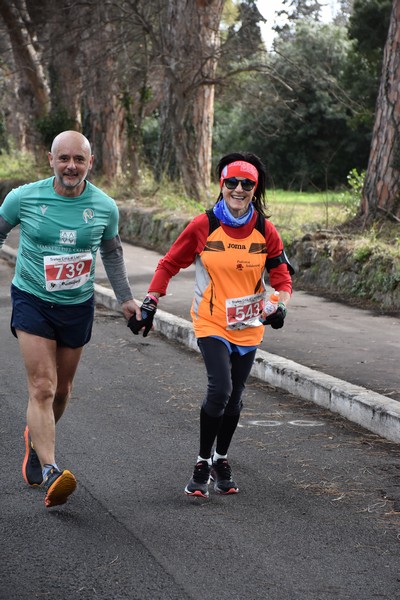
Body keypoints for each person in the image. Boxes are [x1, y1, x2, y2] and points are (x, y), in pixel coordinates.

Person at [128, 152, 293, 498]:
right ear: (222, 185)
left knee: (234, 400)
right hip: (211, 322)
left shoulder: (265, 229)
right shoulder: (204, 225)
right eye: (231, 182)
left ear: (254, 188)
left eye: (246, 184)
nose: (238, 188)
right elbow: (169, 264)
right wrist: (151, 301)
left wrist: (279, 307)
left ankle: (221, 458)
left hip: (248, 326)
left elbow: (282, 278)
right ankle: (202, 462)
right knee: (221, 390)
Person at [0, 130, 141, 508]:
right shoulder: (24, 197)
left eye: (78, 159)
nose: (71, 166)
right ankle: (51, 471)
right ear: (51, 160)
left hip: (77, 304)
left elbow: (112, 253)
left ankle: (35, 441)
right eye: (64, 158)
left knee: (61, 392)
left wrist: (126, 299)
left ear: (90, 163)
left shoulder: (104, 206)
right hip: (31, 297)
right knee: (42, 387)